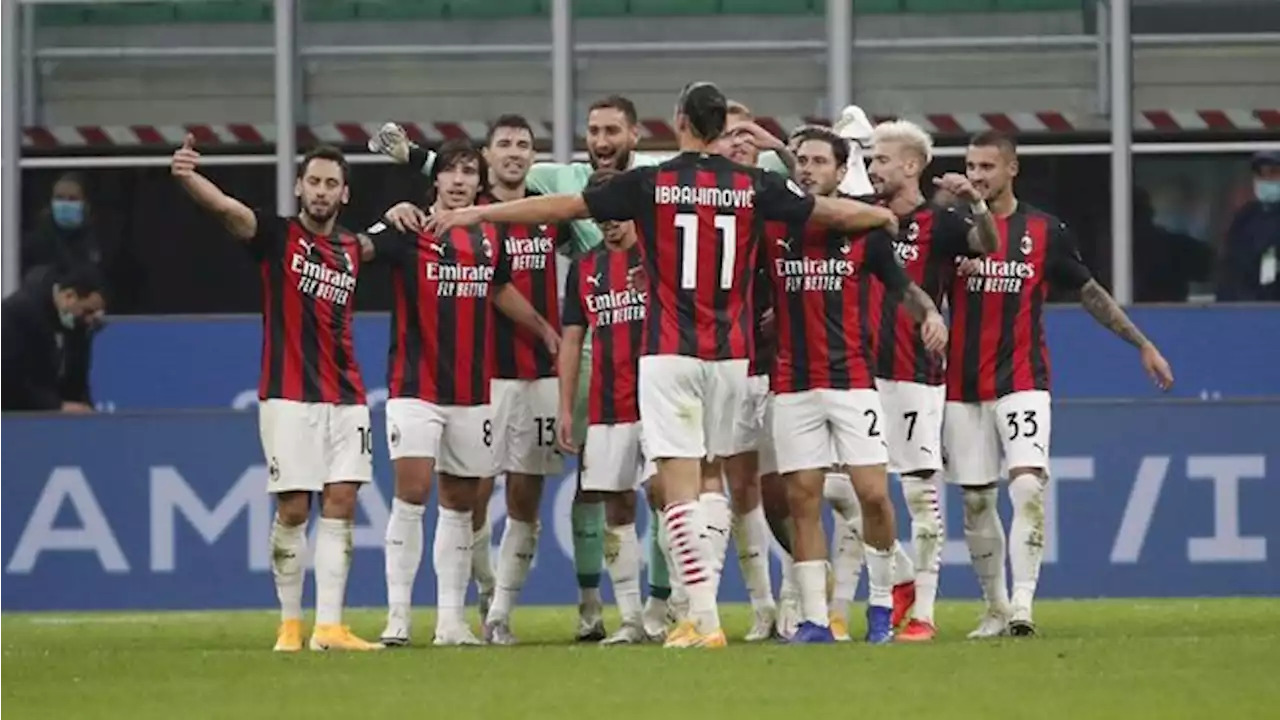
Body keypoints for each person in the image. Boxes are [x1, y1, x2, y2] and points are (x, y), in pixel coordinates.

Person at [425, 81, 898, 648]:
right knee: (714, 479)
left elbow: (562, 206)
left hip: (671, 352)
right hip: (732, 356)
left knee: (677, 486)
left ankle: (703, 617)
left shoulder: (652, 182)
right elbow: (828, 212)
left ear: (679, 122)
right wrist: (879, 218)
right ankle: (716, 612)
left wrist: (480, 212)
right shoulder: (753, 184)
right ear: (721, 126)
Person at [946, 131, 1174, 638]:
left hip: (1022, 377)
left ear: (1012, 169)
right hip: (961, 383)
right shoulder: (952, 227)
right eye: (971, 166)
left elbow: (1089, 292)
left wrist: (1142, 343)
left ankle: (1022, 606)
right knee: (977, 500)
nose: (977, 176)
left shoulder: (1045, 231)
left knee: (1028, 484)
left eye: (987, 166)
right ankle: (994, 607)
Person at [171, 137, 381, 652]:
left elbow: (390, 238)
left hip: (348, 396)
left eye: (331, 184)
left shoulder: (353, 249)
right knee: (294, 508)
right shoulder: (276, 235)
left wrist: (403, 214)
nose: (322, 191)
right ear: (298, 187)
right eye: (314, 182)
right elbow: (227, 210)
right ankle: (290, 625)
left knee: (342, 501)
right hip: (288, 395)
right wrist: (189, 177)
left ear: (345, 194)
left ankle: (329, 627)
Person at [370, 139, 559, 647]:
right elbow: (359, 250)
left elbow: (499, 288)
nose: (458, 181)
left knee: (459, 504)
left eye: (468, 173)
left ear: (480, 183)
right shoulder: (409, 228)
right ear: (436, 180)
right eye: (451, 172)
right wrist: (386, 218)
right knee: (412, 493)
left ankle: (450, 623)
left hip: (473, 391)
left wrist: (543, 328)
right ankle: (398, 617)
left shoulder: (489, 236)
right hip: (416, 386)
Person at [764, 125, 948, 644]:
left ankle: (883, 604)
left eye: (819, 161)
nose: (807, 169)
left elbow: (903, 286)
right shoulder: (774, 227)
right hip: (793, 383)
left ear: (842, 171)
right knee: (803, 500)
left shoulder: (864, 233)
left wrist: (930, 313)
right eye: (801, 160)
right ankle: (815, 619)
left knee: (873, 495)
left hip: (852, 382)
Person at [863, 119, 1000, 642]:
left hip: (915, 373)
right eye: (871, 159)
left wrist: (976, 204)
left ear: (911, 165)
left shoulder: (940, 222)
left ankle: (923, 612)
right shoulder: (862, 217)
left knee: (920, 495)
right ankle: (900, 574)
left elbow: (986, 244)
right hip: (856, 372)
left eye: (881, 159)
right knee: (844, 489)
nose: (873, 168)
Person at [557, 168, 651, 644]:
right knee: (617, 506)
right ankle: (631, 618)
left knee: (671, 498)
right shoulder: (586, 267)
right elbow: (573, 340)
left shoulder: (657, 256)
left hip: (658, 400)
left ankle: (675, 608)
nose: (610, 222)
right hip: (608, 404)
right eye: (601, 215)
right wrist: (565, 408)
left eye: (616, 212)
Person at [2, 264, 105, 413]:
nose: (90, 320)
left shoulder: (75, 325)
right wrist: (56, 406)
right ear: (69, 296)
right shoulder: (16, 314)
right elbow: (8, 378)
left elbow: (76, 382)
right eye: (87, 311)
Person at [1216, 150, 1280, 302]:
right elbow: (1230, 267)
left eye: (1273, 173)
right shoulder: (1246, 216)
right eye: (1260, 174)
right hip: (1243, 308)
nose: (1266, 180)